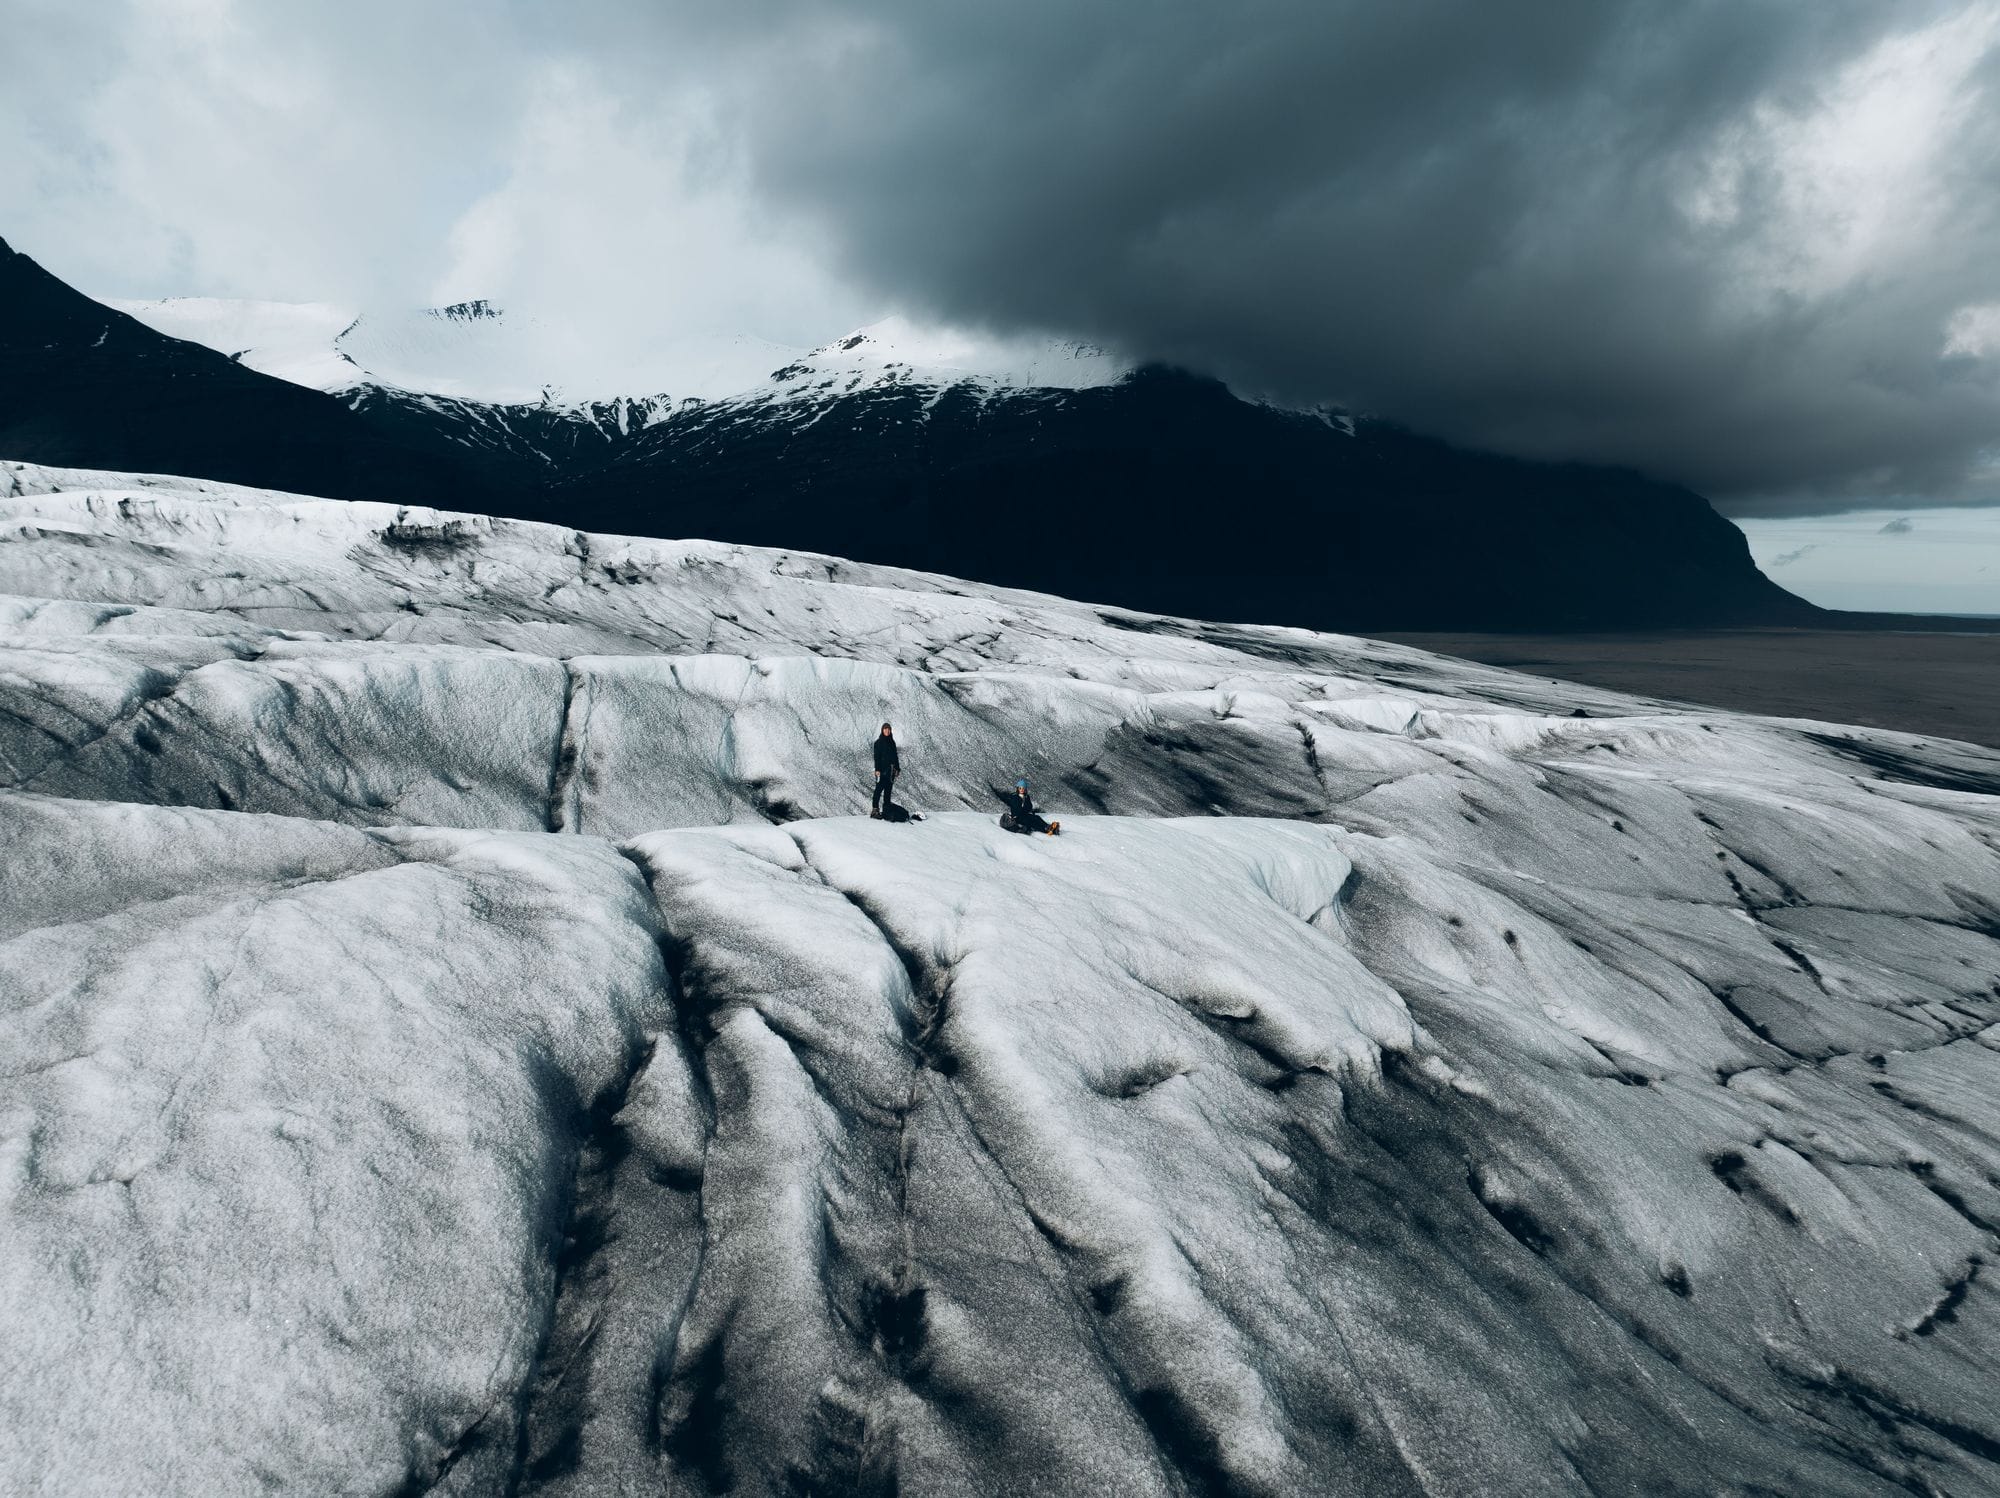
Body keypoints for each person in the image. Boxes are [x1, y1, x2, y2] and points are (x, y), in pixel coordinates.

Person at [993, 776, 1059, 836]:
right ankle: (1046, 830)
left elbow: (1029, 807)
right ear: (1018, 788)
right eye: (1020, 788)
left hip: (1024, 814)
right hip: (1017, 817)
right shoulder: (1014, 796)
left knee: (1037, 817)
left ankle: (1048, 827)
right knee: (1031, 822)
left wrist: (1024, 807)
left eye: (1023, 788)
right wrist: (1024, 808)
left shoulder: (1026, 797)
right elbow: (1016, 809)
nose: (1022, 790)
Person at [871, 722, 900, 818]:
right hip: (881, 771)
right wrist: (877, 770)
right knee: (878, 790)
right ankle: (875, 810)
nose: (887, 731)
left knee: (888, 791)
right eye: (885, 729)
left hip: (891, 771)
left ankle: (886, 810)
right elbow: (877, 757)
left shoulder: (892, 742)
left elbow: (895, 757)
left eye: (888, 729)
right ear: (882, 730)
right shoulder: (878, 743)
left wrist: (897, 768)